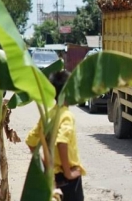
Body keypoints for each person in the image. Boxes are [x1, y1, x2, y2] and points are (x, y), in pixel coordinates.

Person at [26, 70, 86, 201]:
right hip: (68, 180)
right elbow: (61, 142)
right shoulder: (66, 116)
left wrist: (46, 165)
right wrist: (68, 172)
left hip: (52, 177)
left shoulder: (48, 115)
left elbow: (31, 142)